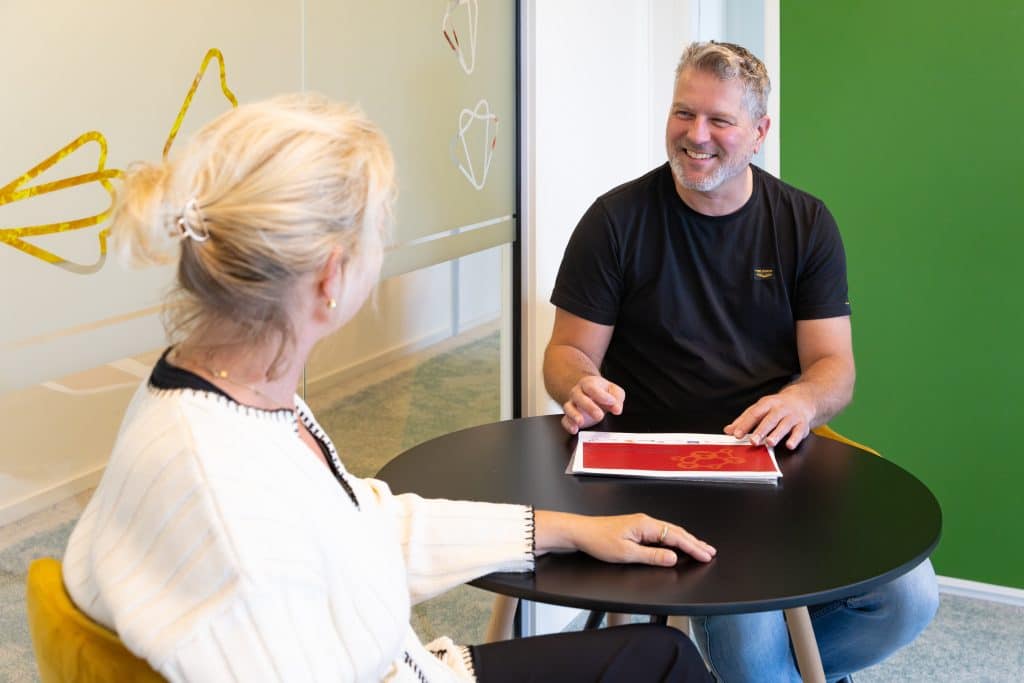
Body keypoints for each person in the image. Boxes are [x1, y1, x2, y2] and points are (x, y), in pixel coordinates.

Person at [61, 93, 716, 682]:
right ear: (331, 277)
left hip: (407, 665)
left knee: (659, 657)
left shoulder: (226, 388)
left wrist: (567, 529)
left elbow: (355, 526)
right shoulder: (234, 527)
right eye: (380, 233)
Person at [544, 41, 938, 682]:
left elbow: (834, 366)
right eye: (683, 113)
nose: (696, 136)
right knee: (752, 640)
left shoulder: (805, 223)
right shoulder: (614, 221)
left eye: (719, 120)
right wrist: (579, 384)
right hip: (653, 464)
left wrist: (803, 400)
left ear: (758, 132)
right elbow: (566, 353)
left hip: (771, 459)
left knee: (907, 598)